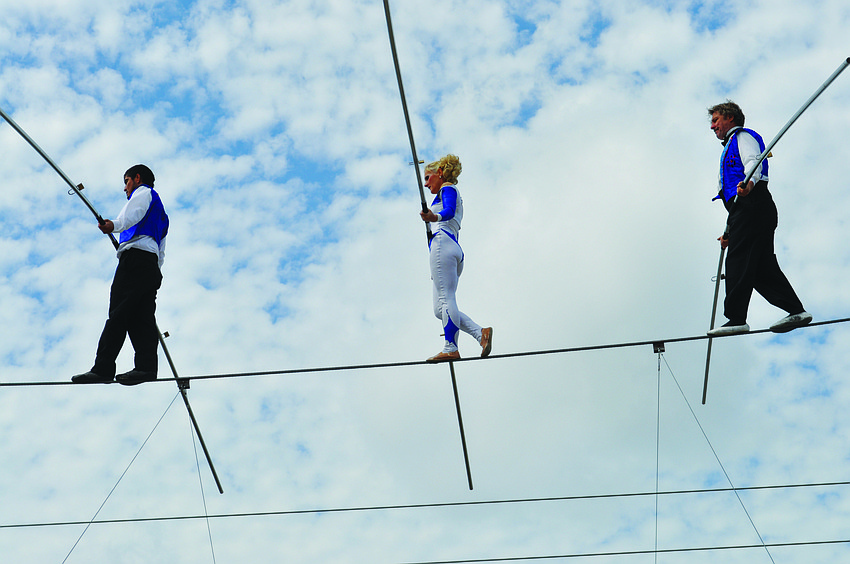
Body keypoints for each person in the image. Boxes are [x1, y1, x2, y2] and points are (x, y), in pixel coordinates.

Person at [706, 101, 811, 336]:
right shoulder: (730, 144)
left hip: (753, 203)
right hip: (748, 210)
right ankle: (796, 310)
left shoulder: (742, 137)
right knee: (760, 267)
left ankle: (736, 318)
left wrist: (750, 183)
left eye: (715, 120)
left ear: (730, 118)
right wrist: (731, 232)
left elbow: (755, 161)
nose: (712, 127)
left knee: (738, 262)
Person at [72, 164, 169, 385]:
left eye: (126, 181)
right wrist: (156, 272)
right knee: (142, 319)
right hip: (150, 266)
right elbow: (160, 248)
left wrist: (112, 225)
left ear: (137, 178)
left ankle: (103, 368)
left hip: (134, 262)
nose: (125, 188)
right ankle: (146, 368)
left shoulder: (143, 193)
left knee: (118, 314)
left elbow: (131, 216)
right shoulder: (162, 214)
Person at [419, 154, 492, 362]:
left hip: (444, 244)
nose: (426, 184)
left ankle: (450, 347)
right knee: (438, 308)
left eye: (428, 177)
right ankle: (480, 333)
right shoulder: (445, 193)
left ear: (440, 174)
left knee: (446, 299)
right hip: (449, 248)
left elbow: (448, 211)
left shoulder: (448, 188)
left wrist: (434, 217)